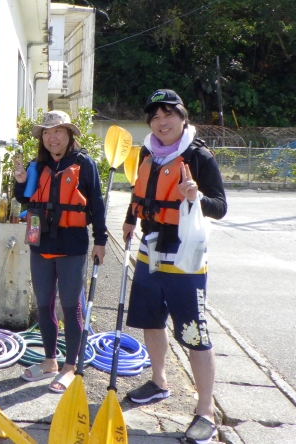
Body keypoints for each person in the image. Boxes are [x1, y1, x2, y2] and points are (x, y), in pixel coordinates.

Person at [122, 89, 227, 444]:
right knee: (151, 321)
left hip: (186, 259)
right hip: (150, 251)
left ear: (182, 118)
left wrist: (195, 195)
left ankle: (205, 411)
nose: (161, 122)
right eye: (154, 117)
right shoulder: (147, 152)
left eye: (168, 115)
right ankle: (159, 381)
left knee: (194, 333)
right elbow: (141, 193)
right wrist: (127, 220)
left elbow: (220, 206)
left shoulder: (198, 157)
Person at [13, 110, 107, 393]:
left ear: (69, 135)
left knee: (71, 306)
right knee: (43, 304)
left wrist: (100, 239)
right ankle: (49, 361)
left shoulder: (84, 164)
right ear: (42, 138)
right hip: (40, 242)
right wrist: (19, 179)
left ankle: (70, 367)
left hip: (72, 245)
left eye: (58, 131)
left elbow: (97, 205)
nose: (52, 137)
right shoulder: (36, 165)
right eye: (46, 132)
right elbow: (24, 198)